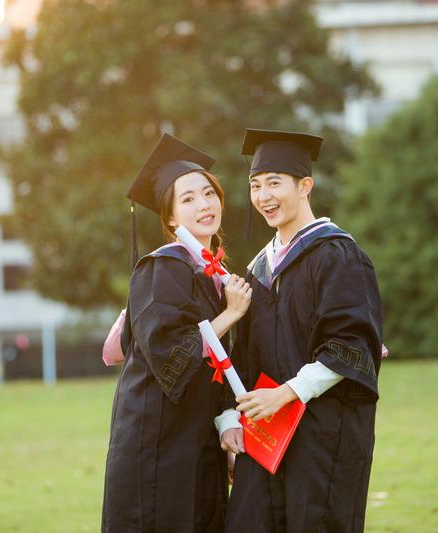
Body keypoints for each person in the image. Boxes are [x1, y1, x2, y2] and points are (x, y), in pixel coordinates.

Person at [216, 129, 383, 532]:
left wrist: (285, 394)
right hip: (267, 436)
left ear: (305, 186)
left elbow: (350, 345)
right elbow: (243, 353)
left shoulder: (337, 255)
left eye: (274, 183)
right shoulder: (259, 269)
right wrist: (229, 418)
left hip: (322, 434)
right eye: (255, 185)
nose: (263, 196)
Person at [102, 133, 252, 533]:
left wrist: (227, 423)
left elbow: (222, 365)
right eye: (187, 199)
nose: (204, 205)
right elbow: (171, 356)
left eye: (208, 193)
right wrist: (231, 314)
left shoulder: (211, 274)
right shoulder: (162, 269)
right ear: (169, 218)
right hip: (157, 444)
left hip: (195, 439)